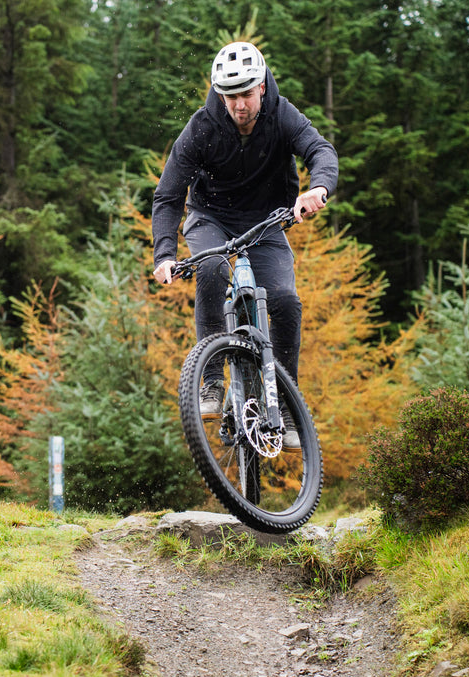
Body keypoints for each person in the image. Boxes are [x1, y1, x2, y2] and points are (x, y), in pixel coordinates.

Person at [151, 41, 338, 450]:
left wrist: (318, 188)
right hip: (211, 218)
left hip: (267, 221)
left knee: (286, 302)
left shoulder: (282, 114)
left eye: (247, 94)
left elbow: (321, 151)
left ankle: (285, 404)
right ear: (220, 93)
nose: (239, 104)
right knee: (213, 268)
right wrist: (164, 254)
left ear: (262, 88)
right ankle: (213, 378)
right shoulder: (201, 127)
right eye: (230, 95)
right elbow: (167, 197)